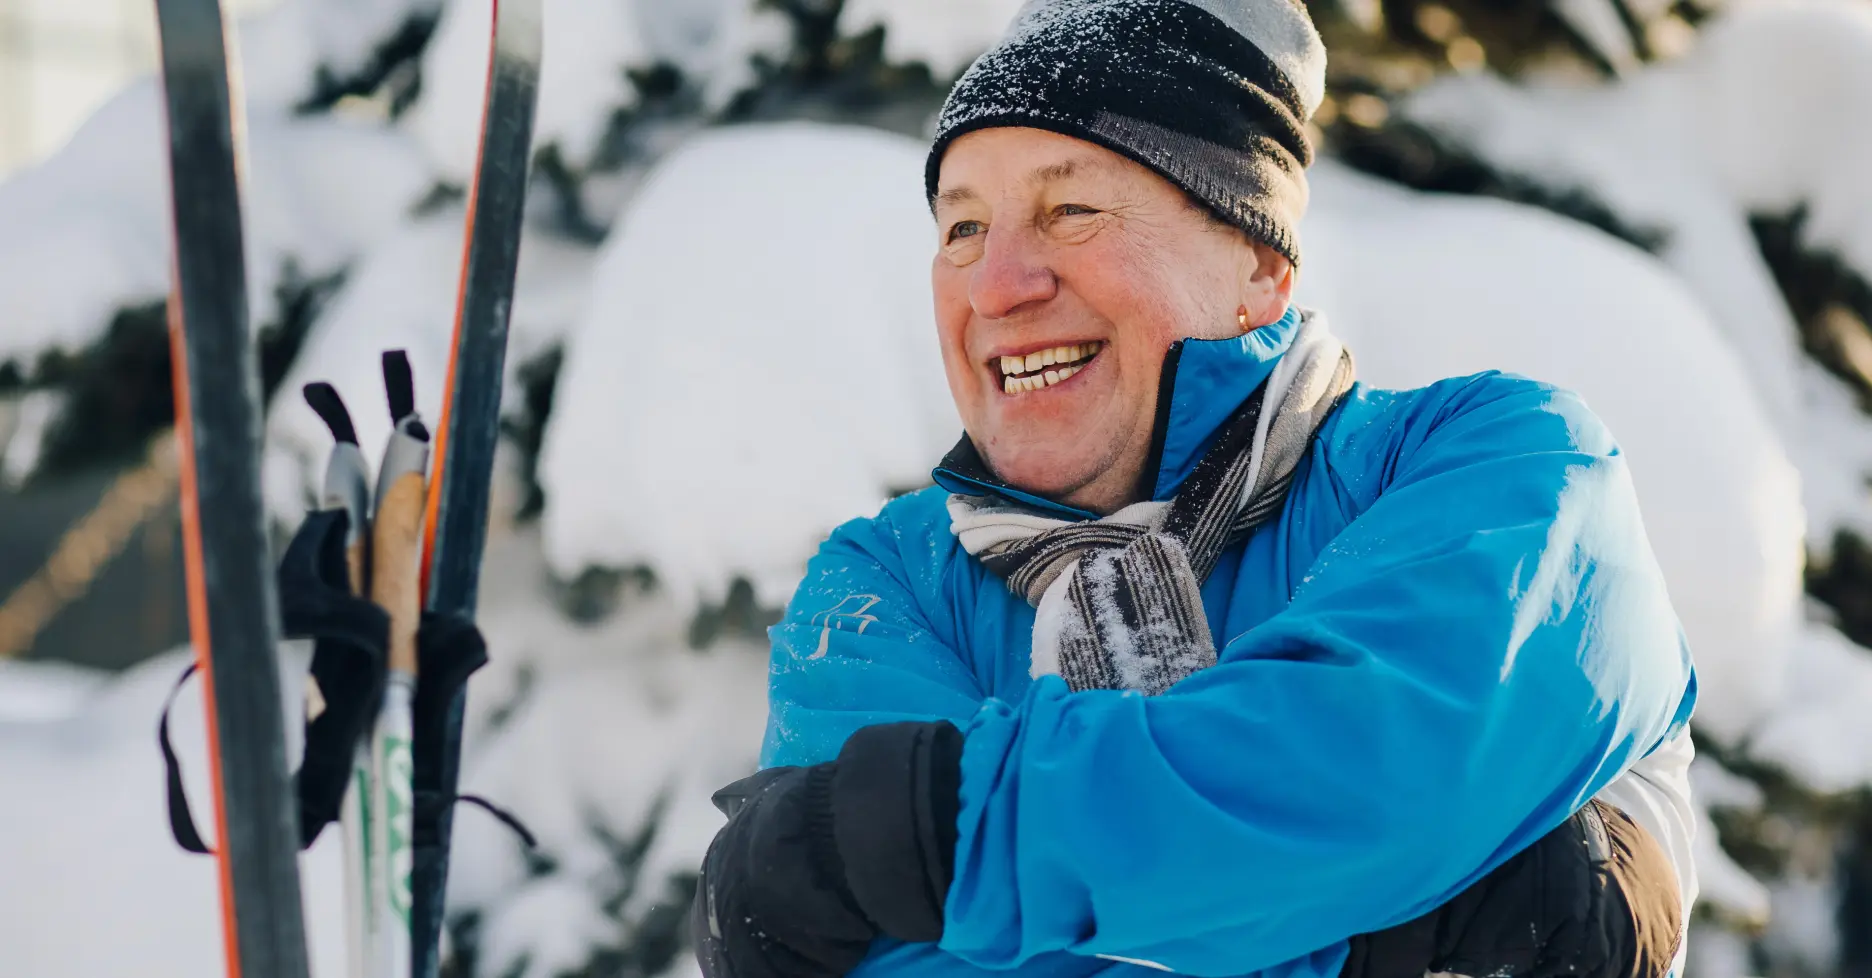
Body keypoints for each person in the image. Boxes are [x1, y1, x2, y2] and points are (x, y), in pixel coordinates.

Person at [688, 2, 1697, 978]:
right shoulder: (890, 583)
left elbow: (1384, 772)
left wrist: (925, 836)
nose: (995, 286)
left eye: (1071, 211)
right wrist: (1377, 932)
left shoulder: (1496, 463)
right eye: (962, 229)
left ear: (1259, 263)